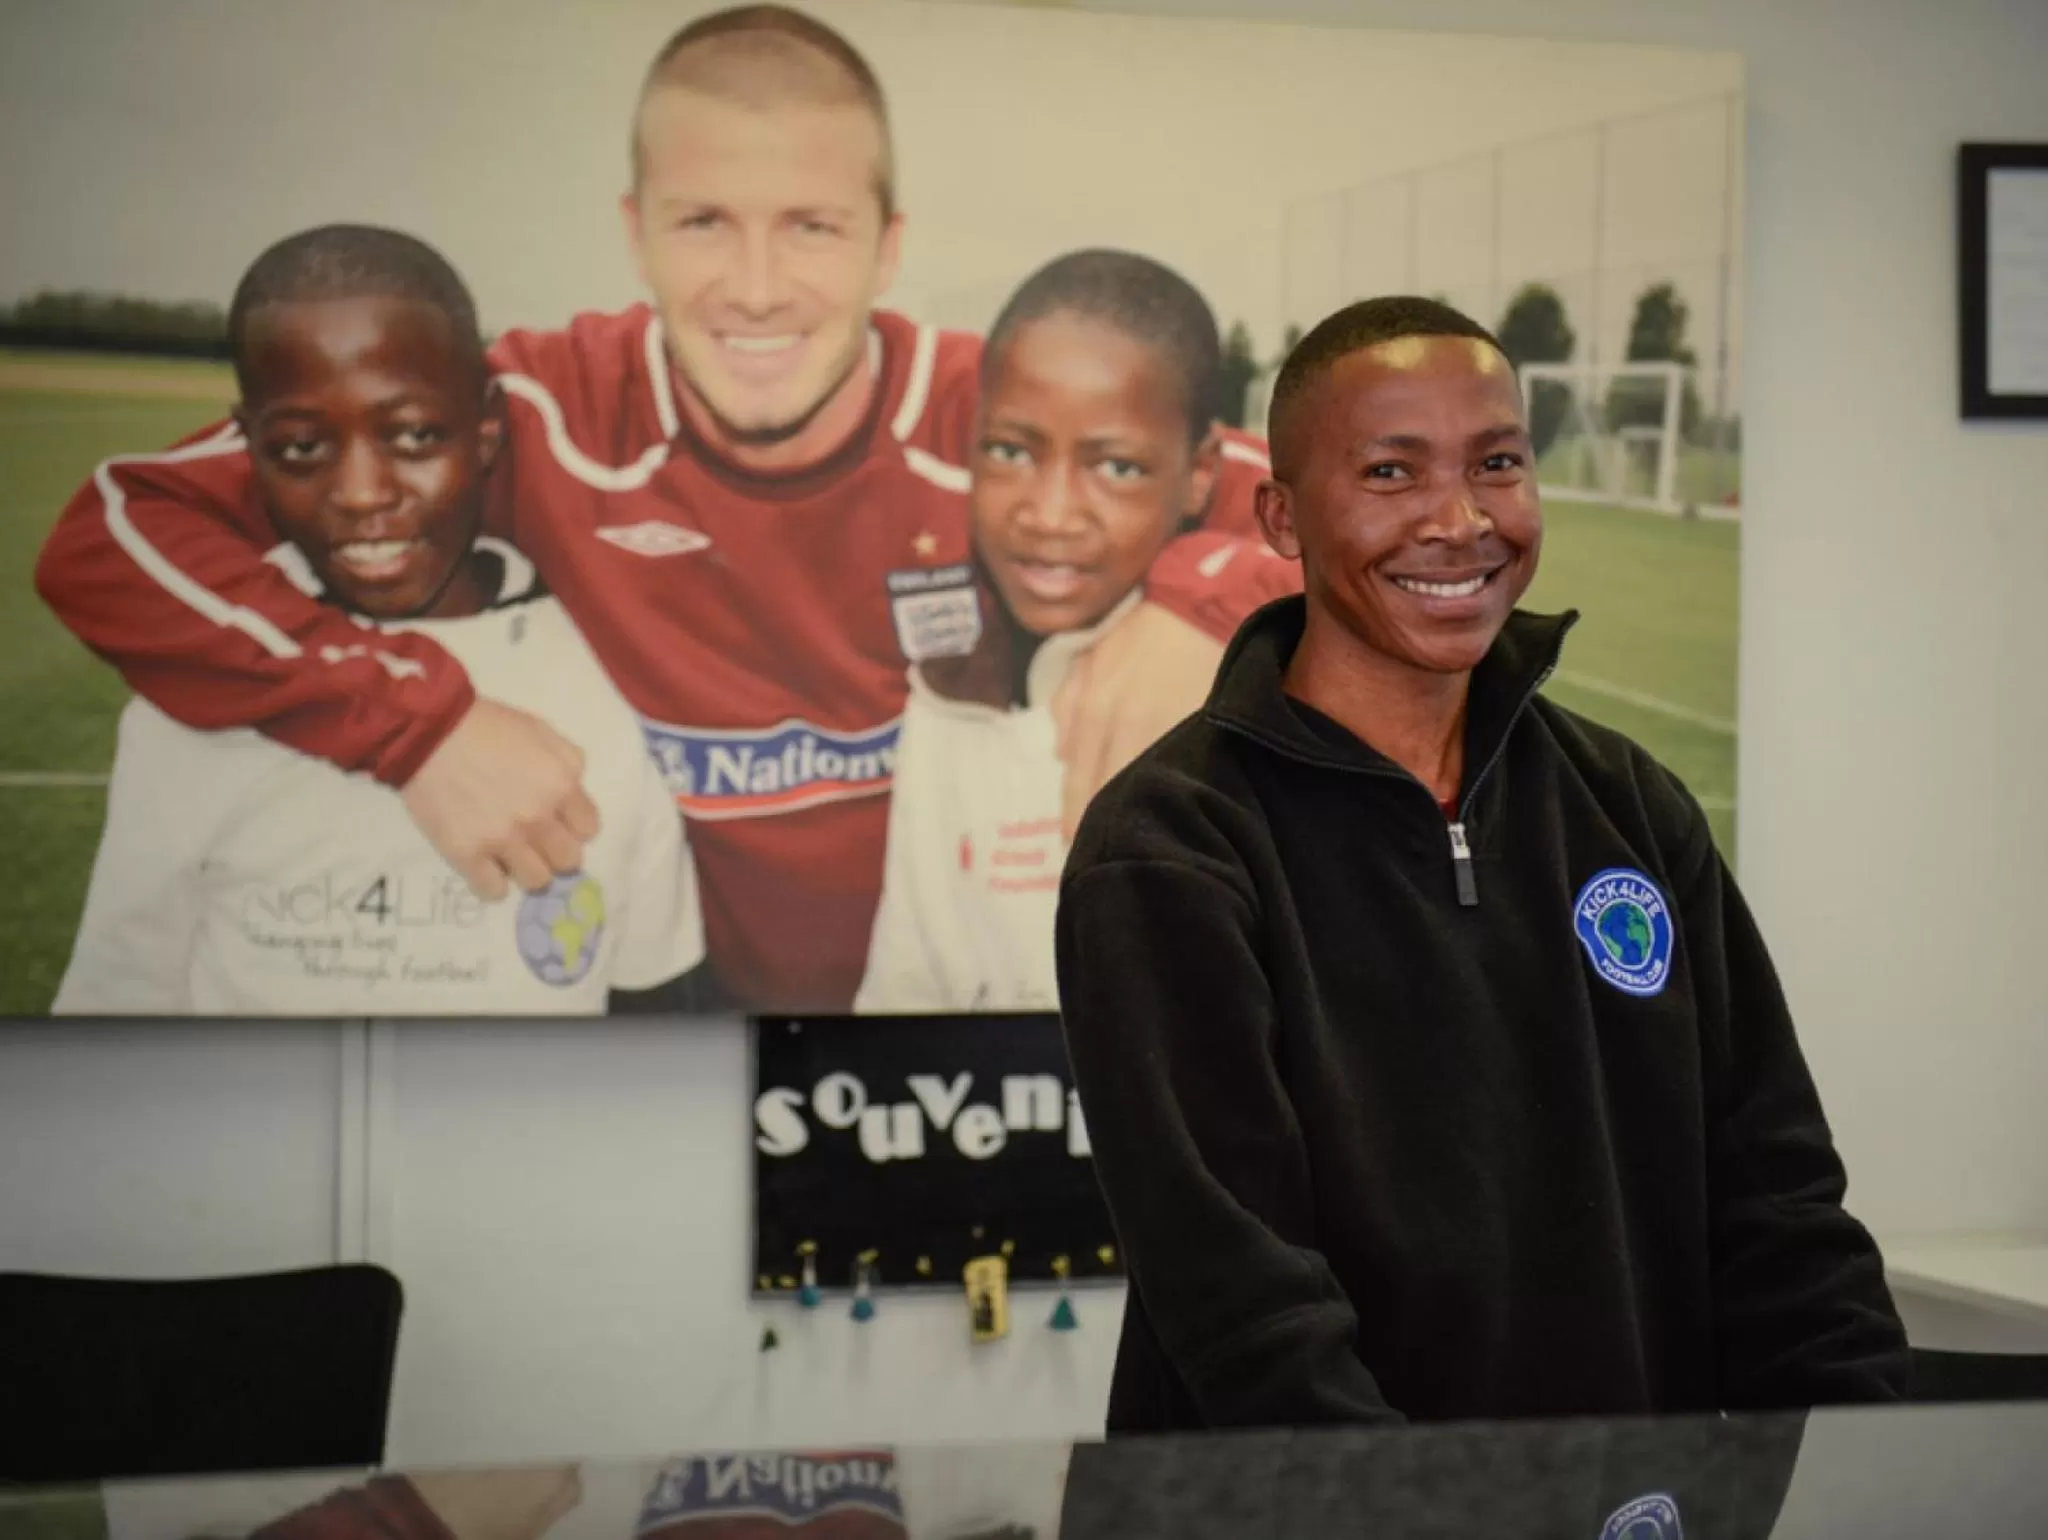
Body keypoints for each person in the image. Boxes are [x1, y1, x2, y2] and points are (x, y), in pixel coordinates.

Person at [32, 4, 1278, 1014]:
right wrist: (412, 722)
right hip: (672, 1033)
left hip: (941, 1033)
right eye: (702, 224)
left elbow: (1325, 511)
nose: (754, 288)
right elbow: (117, 531)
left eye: (811, 227)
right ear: (634, 233)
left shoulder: (992, 422)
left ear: (885, 246)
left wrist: (1199, 604)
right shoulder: (533, 410)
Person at [1054, 295, 1908, 1431]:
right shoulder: (1169, 846)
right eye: (1391, 473)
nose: (1458, 520)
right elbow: (1245, 1308)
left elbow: (1781, 1210)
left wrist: (1866, 1477)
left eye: (1495, 462)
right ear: (1281, 515)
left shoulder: (1631, 811)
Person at [51, 226, 702, 1017]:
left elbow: (653, 995)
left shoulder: (600, 670)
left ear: (488, 429)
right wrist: (424, 726)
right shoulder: (193, 697)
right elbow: (118, 1004)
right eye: (299, 448)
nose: (361, 492)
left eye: (416, 435)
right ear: (247, 445)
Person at [854, 249, 1293, 1013]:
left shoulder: (1272, 677)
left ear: (1198, 476)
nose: (1050, 514)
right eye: (1010, 451)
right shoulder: (950, 676)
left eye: (1116, 467)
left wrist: (1211, 597)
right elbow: (905, 984)